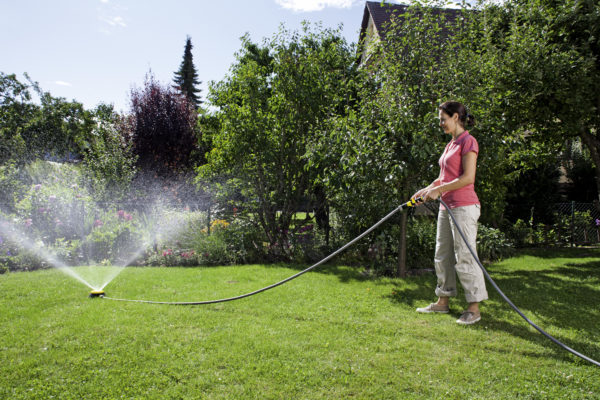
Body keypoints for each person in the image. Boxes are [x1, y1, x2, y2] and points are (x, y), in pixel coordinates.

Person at [412, 101, 488, 325]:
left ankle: (473, 308)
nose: (441, 123)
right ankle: (442, 301)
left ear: (456, 117)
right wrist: (427, 189)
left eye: (443, 119)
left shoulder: (468, 142)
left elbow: (467, 178)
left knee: (465, 256)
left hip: (464, 207)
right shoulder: (450, 145)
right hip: (446, 207)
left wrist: (438, 190)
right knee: (441, 255)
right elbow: (443, 177)